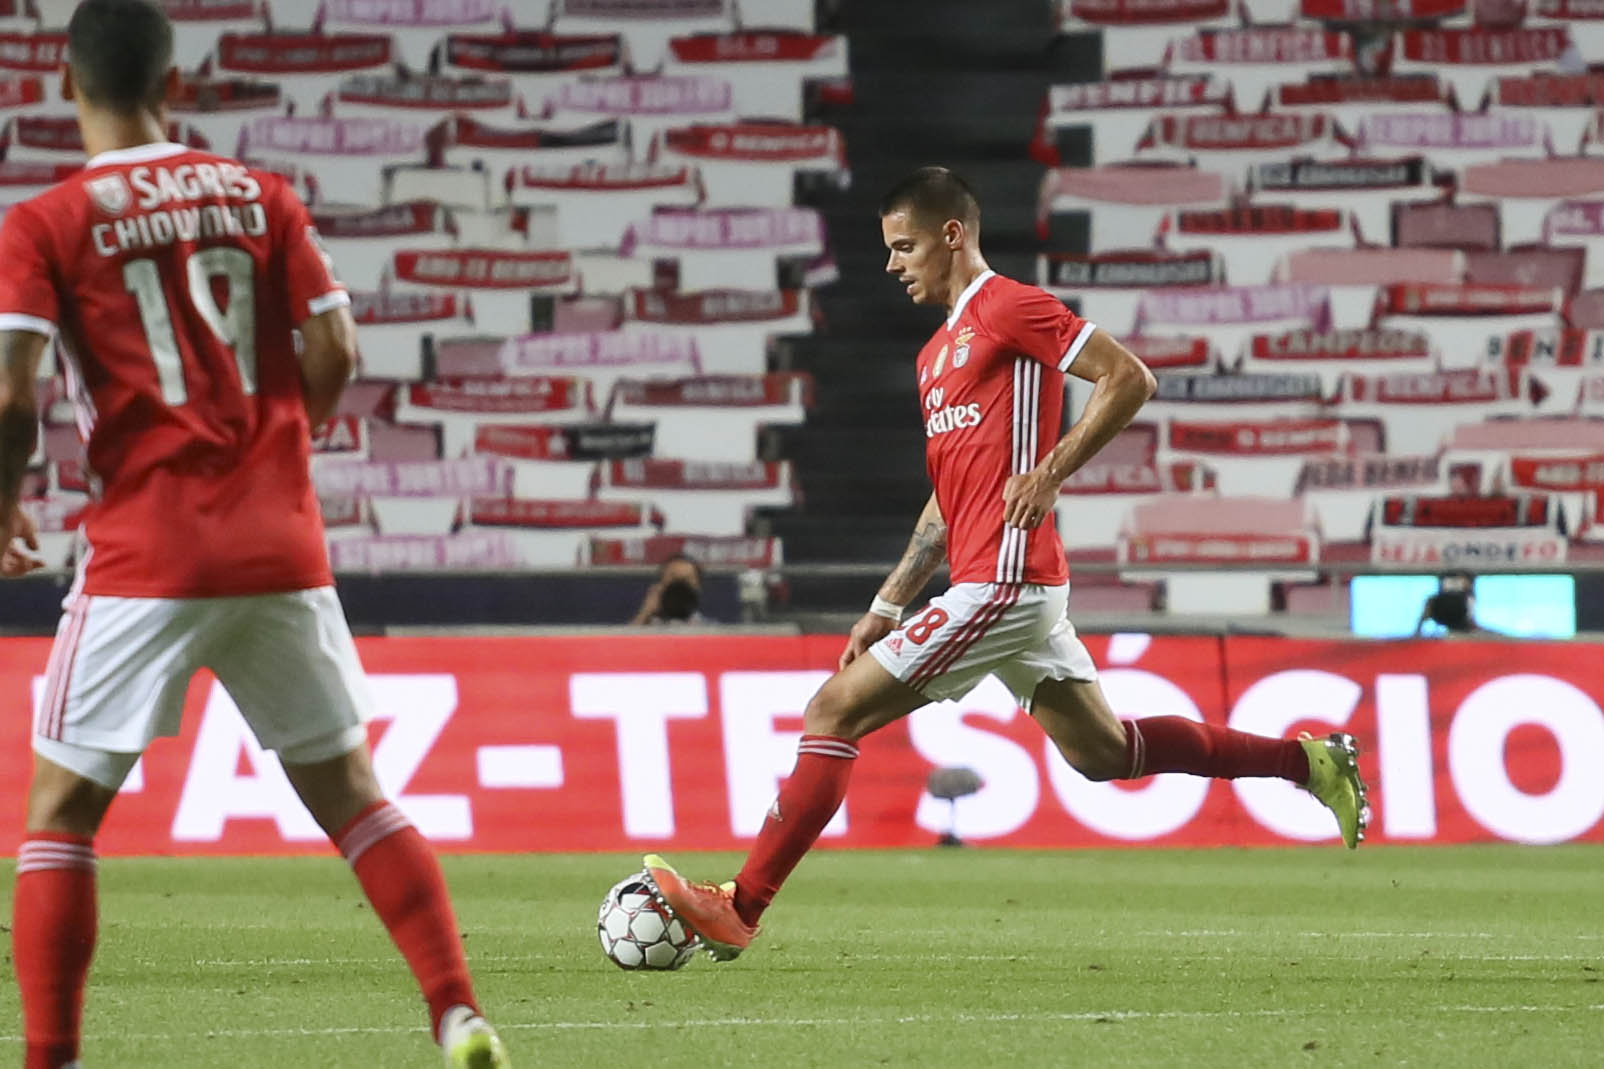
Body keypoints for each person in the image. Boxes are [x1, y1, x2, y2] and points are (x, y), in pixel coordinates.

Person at [641, 167, 1370, 962]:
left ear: (952, 234)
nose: (893, 265)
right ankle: (1308, 761)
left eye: (905, 245)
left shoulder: (1009, 306)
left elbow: (1131, 378)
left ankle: (740, 906)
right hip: (993, 577)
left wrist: (1052, 470)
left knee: (831, 712)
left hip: (1008, 577)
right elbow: (946, 499)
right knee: (1104, 753)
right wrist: (888, 602)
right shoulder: (932, 358)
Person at [0, 3, 509, 1065]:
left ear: (65, 82)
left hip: (146, 547)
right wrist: (283, 445)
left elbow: (13, 397)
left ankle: (49, 1060)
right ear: (174, 85)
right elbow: (337, 341)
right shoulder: (257, 193)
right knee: (353, 797)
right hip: (280, 539)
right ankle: (456, 1008)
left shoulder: (46, 221)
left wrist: (2, 506)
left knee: (58, 813)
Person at [628, 553, 707, 625]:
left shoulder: (709, 630)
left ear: (698, 586)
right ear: (660, 584)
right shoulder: (644, 627)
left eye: (687, 579)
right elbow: (627, 639)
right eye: (673, 578)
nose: (680, 586)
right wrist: (645, 612)